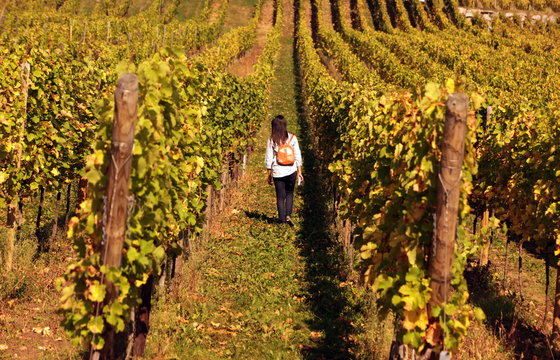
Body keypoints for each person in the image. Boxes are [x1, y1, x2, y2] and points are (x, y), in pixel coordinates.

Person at [264, 115, 303, 226]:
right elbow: (297, 155)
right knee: (289, 193)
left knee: (280, 196)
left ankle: (281, 221)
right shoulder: (292, 138)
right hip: (291, 170)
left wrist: (269, 174)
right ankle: (288, 216)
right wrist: (299, 171)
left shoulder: (272, 140)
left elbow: (269, 158)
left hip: (278, 171)